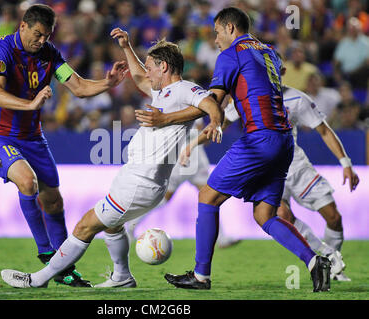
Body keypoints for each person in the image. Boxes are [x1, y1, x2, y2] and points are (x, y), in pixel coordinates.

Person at [0, 28, 224, 289]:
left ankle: (38, 279)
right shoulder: (164, 92)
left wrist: (215, 123)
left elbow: (209, 103)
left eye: (151, 66)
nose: (147, 71)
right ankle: (121, 277)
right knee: (113, 227)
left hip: (141, 183)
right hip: (135, 178)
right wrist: (127, 47)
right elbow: (140, 77)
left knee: (85, 226)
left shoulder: (185, 89)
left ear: (164, 66)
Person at [136, 7, 331, 292]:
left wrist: (166, 118)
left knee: (207, 196)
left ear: (230, 28)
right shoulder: (269, 52)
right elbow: (251, 89)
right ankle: (315, 261)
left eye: (216, 32)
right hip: (284, 140)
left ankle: (201, 276)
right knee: (266, 215)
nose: (215, 40)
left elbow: (212, 100)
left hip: (259, 139)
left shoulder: (231, 54)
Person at [0, 4, 127, 287]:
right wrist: (31, 104)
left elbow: (79, 87)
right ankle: (47, 253)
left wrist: (108, 83)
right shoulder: (2, 50)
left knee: (54, 201)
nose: (42, 40)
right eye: (38, 34)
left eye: (47, 35)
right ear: (22, 26)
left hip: (32, 137)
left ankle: (65, 268)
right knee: (27, 181)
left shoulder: (50, 53)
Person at [223, 57, 360, 280]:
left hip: (296, 167)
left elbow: (324, 130)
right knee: (282, 215)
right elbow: (223, 121)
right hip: (267, 170)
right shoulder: (247, 96)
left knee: (334, 217)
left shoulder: (298, 99)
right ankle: (325, 255)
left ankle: (332, 258)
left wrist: (346, 163)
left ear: (282, 71)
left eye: (272, 71)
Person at [126, 118, 241, 249]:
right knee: (165, 199)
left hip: (196, 160)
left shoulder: (195, 106)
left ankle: (221, 237)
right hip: (180, 160)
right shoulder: (184, 107)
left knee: (210, 198)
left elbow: (202, 133)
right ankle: (131, 225)